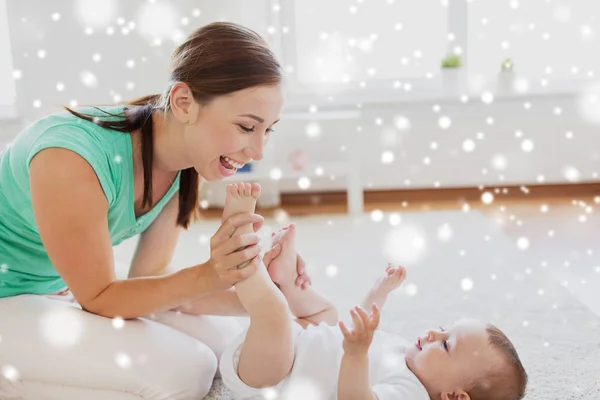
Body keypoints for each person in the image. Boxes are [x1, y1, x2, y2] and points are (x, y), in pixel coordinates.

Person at [0, 22, 309, 400]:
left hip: (51, 290)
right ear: (183, 102)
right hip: (9, 298)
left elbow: (152, 278)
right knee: (186, 373)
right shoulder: (68, 158)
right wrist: (212, 273)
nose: (258, 151)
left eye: (268, 130)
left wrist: (266, 294)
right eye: (247, 127)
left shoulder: (177, 163)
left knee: (227, 345)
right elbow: (99, 298)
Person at [218, 183, 529, 400]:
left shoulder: (411, 393)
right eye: (444, 329)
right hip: (296, 343)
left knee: (272, 314)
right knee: (328, 315)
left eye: (446, 345)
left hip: (270, 377)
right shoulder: (407, 354)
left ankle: (240, 242)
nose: (434, 333)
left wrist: (356, 354)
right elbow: (362, 326)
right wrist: (379, 293)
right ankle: (285, 282)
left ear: (454, 397)